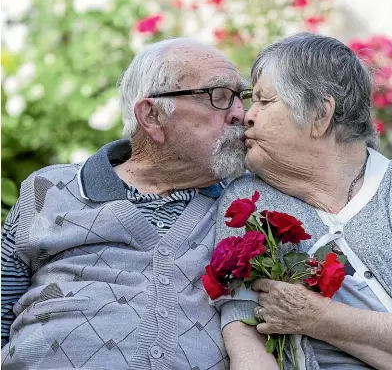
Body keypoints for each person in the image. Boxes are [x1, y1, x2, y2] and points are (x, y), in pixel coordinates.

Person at [1, 38, 252, 369]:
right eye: (218, 97)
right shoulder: (50, 189)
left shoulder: (247, 204)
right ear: (151, 115)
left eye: (240, 98)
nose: (240, 114)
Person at [215, 33, 392, 370]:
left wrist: (318, 317)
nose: (248, 116)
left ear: (320, 115)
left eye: (264, 101)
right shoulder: (248, 201)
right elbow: (245, 337)